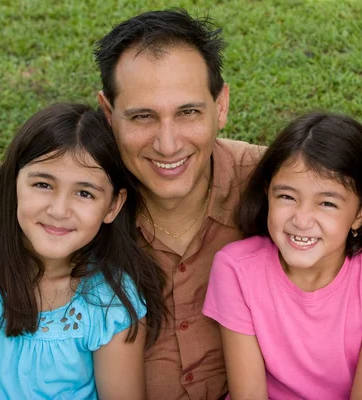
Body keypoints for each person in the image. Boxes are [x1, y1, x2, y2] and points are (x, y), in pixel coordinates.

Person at [94, 8, 264, 399]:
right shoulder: (76, 206)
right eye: (142, 117)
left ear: (220, 106)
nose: (167, 144)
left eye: (188, 112)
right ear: (108, 114)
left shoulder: (277, 188)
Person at [203, 112, 362, 399]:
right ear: (267, 193)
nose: (302, 219)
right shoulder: (236, 268)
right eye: (287, 197)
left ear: (361, 213)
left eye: (327, 203)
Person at [0, 103, 165, 399]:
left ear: (113, 205)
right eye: (42, 184)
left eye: (84, 193)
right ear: (13, 182)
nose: (59, 210)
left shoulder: (109, 306)